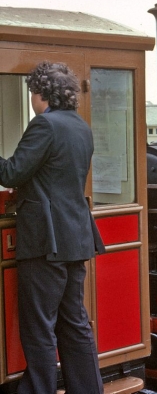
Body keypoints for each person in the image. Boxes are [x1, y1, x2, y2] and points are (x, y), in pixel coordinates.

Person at [0, 62, 105, 394]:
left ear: (40, 93)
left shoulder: (44, 125)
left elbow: (11, 173)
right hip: (75, 237)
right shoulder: (80, 126)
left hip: (46, 241)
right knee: (74, 324)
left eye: (32, 92)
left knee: (39, 327)